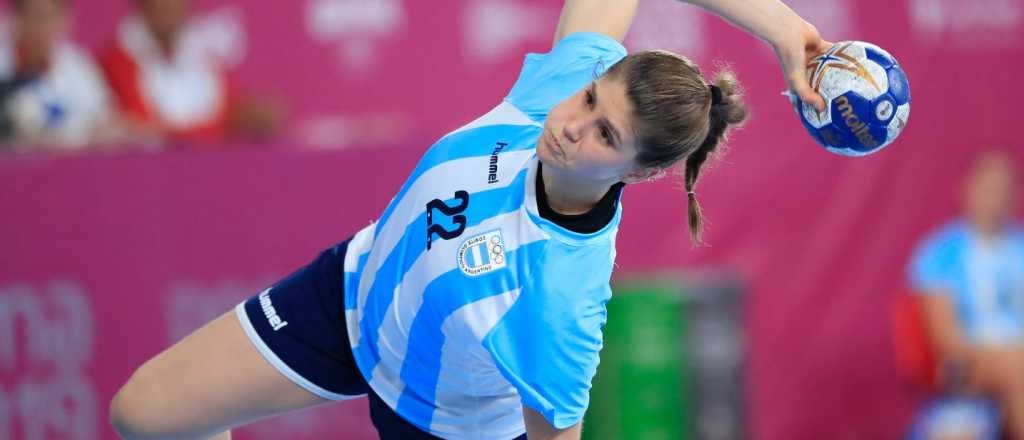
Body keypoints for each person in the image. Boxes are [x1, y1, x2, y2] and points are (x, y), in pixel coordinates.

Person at [109, 0, 831, 438]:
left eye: (607, 137)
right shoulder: (560, 84)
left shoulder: (560, 298)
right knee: (143, 414)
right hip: (350, 298)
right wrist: (787, 32)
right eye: (589, 103)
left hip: (444, 426)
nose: (575, 127)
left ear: (639, 173)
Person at [909, 150, 1024, 439]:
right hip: (966, 364)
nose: (995, 199)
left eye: (1003, 190)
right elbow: (947, 340)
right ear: (967, 189)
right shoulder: (940, 254)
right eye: (989, 189)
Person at [97, 0, 281, 146]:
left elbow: (231, 111)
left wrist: (250, 117)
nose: (170, 4)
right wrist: (229, 125)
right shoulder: (117, 61)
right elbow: (147, 134)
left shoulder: (204, 55)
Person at [0, 0, 121, 150]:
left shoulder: (78, 67)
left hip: (67, 167)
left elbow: (108, 123)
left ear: (64, 22)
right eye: (35, 16)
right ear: (15, 19)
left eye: (49, 17)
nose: (41, 27)